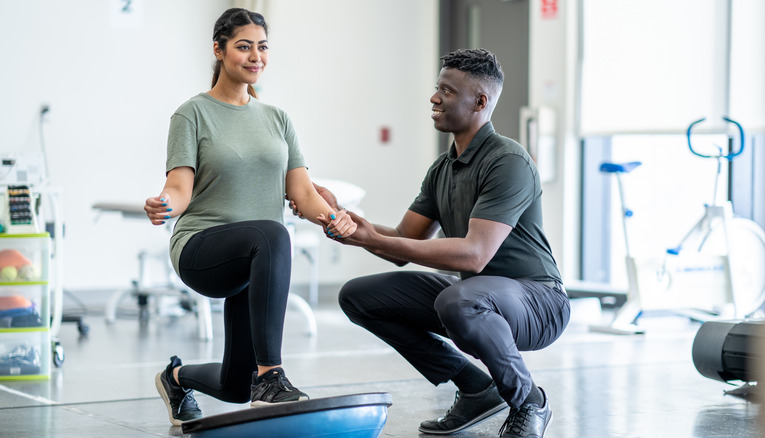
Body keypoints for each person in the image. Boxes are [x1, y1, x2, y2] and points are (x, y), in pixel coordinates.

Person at [296, 48, 570, 438]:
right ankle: (476, 388)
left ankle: (529, 401)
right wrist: (355, 228)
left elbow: (475, 256)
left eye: (446, 90)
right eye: (436, 87)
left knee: (459, 299)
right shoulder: (442, 169)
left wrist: (373, 237)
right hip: (474, 296)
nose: (434, 97)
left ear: (479, 102)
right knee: (359, 296)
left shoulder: (508, 160)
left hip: (539, 302)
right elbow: (405, 242)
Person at [144, 8, 356, 426]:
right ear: (219, 50)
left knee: (235, 387)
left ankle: (176, 377)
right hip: (202, 247)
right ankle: (271, 376)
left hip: (254, 258)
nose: (255, 56)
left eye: (262, 47)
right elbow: (179, 188)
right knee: (275, 234)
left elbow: (303, 193)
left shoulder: (278, 119)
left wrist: (335, 218)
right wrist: (164, 203)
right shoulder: (193, 114)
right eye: (244, 46)